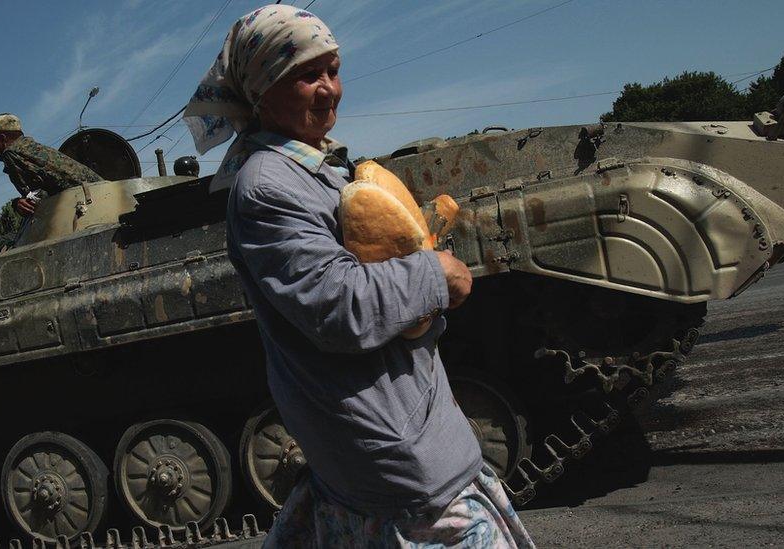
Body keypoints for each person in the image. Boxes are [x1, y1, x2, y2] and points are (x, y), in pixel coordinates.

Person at [183, 5, 534, 548]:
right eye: (307, 74)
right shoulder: (268, 187)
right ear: (262, 91)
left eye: (334, 69)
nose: (330, 89)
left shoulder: (314, 167)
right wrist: (437, 274)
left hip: (411, 448)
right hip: (403, 477)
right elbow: (339, 306)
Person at [0, 113, 102, 217]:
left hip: (84, 203)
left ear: (3, 138)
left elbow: (36, 200)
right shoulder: (33, 148)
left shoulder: (11, 154)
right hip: (100, 191)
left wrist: (17, 204)